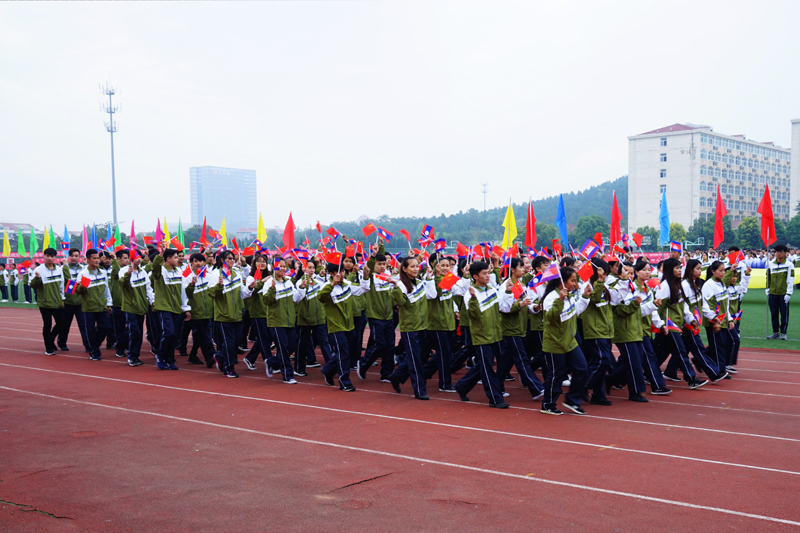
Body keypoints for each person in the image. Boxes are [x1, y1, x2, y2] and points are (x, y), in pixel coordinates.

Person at [453, 261, 509, 408]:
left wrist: (509, 292)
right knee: (487, 367)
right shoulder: (470, 294)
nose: (488, 276)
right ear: (475, 276)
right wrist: (473, 299)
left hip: (496, 334)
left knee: (487, 364)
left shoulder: (492, 290)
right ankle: (495, 399)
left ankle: (462, 386)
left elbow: (503, 308)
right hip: (481, 336)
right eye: (484, 273)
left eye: (488, 272)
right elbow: (474, 316)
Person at [539, 266, 592, 415]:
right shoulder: (551, 298)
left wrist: (585, 297)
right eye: (572, 281)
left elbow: (575, 311)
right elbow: (550, 318)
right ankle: (548, 404)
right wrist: (560, 300)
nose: (575, 284)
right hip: (555, 343)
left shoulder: (569, 295)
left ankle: (572, 400)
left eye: (575, 281)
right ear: (562, 281)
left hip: (570, 341)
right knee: (556, 375)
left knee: (582, 368)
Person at [386, 256, 435, 400]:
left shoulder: (420, 283)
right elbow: (401, 303)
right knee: (415, 360)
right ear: (404, 269)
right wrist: (395, 287)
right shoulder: (401, 285)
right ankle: (419, 390)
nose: (415, 269)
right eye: (412, 266)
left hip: (424, 326)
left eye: (417, 266)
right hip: (410, 328)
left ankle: (396, 376)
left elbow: (432, 295)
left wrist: (430, 279)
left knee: (419, 357)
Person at [318, 260, 371, 392]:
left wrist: (365, 277)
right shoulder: (326, 287)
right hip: (336, 326)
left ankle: (328, 370)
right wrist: (332, 284)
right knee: (343, 354)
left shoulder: (347, 284)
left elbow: (363, 289)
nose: (341, 274)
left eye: (342, 271)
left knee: (347, 353)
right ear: (331, 274)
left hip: (349, 325)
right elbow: (321, 297)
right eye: (338, 272)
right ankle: (344, 381)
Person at [497, 257, 544, 401]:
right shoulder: (506, 286)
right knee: (522, 359)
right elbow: (503, 308)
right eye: (521, 266)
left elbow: (526, 303)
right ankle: (536, 388)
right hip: (511, 328)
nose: (524, 269)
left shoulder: (521, 284)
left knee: (506, 362)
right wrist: (520, 304)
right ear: (512, 270)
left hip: (520, 327)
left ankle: (494, 386)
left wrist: (534, 307)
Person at [260, 256, 306, 384]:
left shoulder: (288, 282)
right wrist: (272, 289)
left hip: (289, 320)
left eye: (284, 266)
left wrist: (301, 288)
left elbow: (296, 298)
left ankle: (271, 361)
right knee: (283, 347)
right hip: (276, 321)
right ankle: (287, 375)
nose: (282, 268)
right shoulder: (269, 283)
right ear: (273, 267)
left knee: (291, 346)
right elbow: (266, 301)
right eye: (279, 266)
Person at [208, 250, 252, 378]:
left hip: (237, 314)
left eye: (233, 258)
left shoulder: (237, 274)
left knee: (237, 340)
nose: (232, 260)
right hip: (224, 315)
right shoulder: (216, 274)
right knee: (229, 343)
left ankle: (220, 356)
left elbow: (242, 293)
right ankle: (229, 368)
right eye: (229, 258)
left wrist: (250, 288)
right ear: (222, 260)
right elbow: (211, 293)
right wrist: (219, 286)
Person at [358, 244, 396, 382]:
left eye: (384, 264)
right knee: (380, 344)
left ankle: (386, 374)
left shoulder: (388, 276)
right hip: (375, 316)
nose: (382, 266)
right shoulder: (371, 277)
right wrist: (374, 255)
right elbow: (369, 266)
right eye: (379, 264)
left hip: (389, 316)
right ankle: (363, 364)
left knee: (390, 346)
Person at [581, 259, 615, 406]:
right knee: (603, 359)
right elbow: (594, 299)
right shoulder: (587, 285)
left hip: (606, 329)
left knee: (601, 363)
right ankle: (582, 385)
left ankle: (598, 394)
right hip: (594, 329)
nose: (605, 276)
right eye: (602, 273)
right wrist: (599, 282)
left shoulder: (604, 285)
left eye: (606, 274)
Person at [150, 247, 191, 370]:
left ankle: (169, 359)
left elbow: (182, 291)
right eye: (175, 257)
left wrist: (186, 308)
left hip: (177, 308)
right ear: (168, 259)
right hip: (164, 307)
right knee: (169, 332)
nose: (178, 259)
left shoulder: (178, 272)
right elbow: (155, 268)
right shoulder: (161, 271)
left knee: (175, 336)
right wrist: (160, 254)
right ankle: (160, 354)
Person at [75, 249, 113, 361]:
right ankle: (94, 352)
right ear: (88, 259)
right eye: (94, 258)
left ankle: (95, 344)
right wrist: (81, 287)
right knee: (90, 330)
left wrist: (109, 303)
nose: (97, 260)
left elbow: (106, 289)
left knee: (106, 327)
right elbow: (78, 291)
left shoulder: (103, 272)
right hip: (89, 307)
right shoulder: (83, 274)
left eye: (98, 258)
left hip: (102, 306)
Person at [120, 250, 155, 367]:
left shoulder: (142, 272)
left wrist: (152, 301)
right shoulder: (123, 271)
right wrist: (128, 274)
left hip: (141, 306)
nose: (139, 259)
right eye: (135, 257)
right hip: (130, 307)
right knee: (134, 330)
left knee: (138, 332)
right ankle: (131, 355)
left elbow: (148, 288)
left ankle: (135, 355)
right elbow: (123, 285)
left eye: (139, 257)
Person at [29, 248, 65, 355]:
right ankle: (48, 347)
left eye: (52, 256)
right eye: (47, 256)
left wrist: (63, 299)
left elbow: (62, 285)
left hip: (57, 302)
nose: (49, 258)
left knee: (62, 323)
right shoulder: (39, 270)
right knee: (47, 325)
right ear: (44, 256)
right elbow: (33, 285)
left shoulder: (59, 269)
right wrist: (37, 278)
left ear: (55, 257)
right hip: (44, 303)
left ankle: (50, 340)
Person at [183, 252, 215, 367]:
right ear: (191, 263)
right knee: (202, 333)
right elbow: (185, 294)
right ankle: (208, 357)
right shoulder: (187, 275)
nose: (198, 263)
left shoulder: (208, 275)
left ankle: (192, 355)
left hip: (207, 310)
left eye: (200, 261)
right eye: (195, 261)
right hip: (195, 310)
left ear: (204, 263)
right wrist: (192, 285)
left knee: (200, 334)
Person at [58, 248, 91, 352]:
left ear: (79, 257)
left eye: (76, 256)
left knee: (84, 325)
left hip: (81, 302)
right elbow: (67, 285)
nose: (74, 258)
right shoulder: (63, 268)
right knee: (65, 324)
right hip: (68, 301)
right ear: (68, 257)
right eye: (72, 256)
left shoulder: (84, 268)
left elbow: (85, 283)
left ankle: (88, 345)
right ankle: (62, 342)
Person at [766, 244, 794, 340]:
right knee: (774, 313)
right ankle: (775, 332)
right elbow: (768, 277)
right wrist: (767, 288)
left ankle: (783, 332)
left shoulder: (789, 265)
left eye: (781, 251)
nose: (778, 253)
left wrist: (788, 293)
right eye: (777, 251)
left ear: (785, 253)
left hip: (783, 293)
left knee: (784, 313)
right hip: (772, 293)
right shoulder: (770, 264)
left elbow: (790, 279)